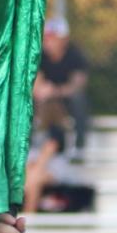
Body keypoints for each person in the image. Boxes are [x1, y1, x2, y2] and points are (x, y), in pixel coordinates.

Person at [34, 17, 91, 158]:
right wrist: (42, 90)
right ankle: (32, 144)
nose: (48, 41)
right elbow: (36, 85)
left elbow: (77, 86)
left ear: (63, 39)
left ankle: (79, 147)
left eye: (52, 37)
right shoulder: (40, 56)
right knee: (28, 100)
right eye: (47, 37)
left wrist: (54, 91)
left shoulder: (75, 55)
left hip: (66, 103)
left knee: (78, 99)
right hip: (46, 102)